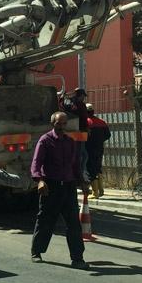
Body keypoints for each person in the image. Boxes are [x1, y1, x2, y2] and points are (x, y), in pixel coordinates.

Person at [29, 111, 90, 270]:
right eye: (59, 124)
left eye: (64, 124)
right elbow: (36, 163)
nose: (62, 127)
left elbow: (75, 165)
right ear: (53, 124)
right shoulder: (45, 141)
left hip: (68, 187)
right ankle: (37, 251)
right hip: (51, 187)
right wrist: (40, 181)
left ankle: (77, 258)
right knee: (46, 221)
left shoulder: (70, 142)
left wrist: (82, 182)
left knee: (74, 224)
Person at [59, 87, 90, 182]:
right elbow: (84, 118)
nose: (84, 98)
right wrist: (86, 129)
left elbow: (62, 106)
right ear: (80, 96)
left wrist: (62, 98)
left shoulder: (69, 103)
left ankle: (79, 173)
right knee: (82, 155)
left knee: (81, 154)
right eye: (83, 96)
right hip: (80, 132)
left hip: (73, 132)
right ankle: (80, 174)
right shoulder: (80, 105)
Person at [85, 104, 111, 198]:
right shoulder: (101, 122)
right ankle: (101, 190)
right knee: (98, 167)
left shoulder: (85, 122)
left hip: (89, 149)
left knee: (91, 169)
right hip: (99, 148)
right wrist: (99, 141)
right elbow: (108, 135)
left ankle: (94, 193)